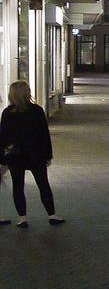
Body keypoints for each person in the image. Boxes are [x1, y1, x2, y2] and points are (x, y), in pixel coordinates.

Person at [0, 81, 61, 226]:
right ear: (29, 93)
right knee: (43, 185)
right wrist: (48, 155)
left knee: (18, 186)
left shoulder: (7, 113)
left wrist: (2, 158)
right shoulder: (37, 111)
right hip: (36, 153)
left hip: (15, 155)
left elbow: (3, 137)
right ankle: (52, 215)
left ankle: (23, 219)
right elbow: (44, 135)